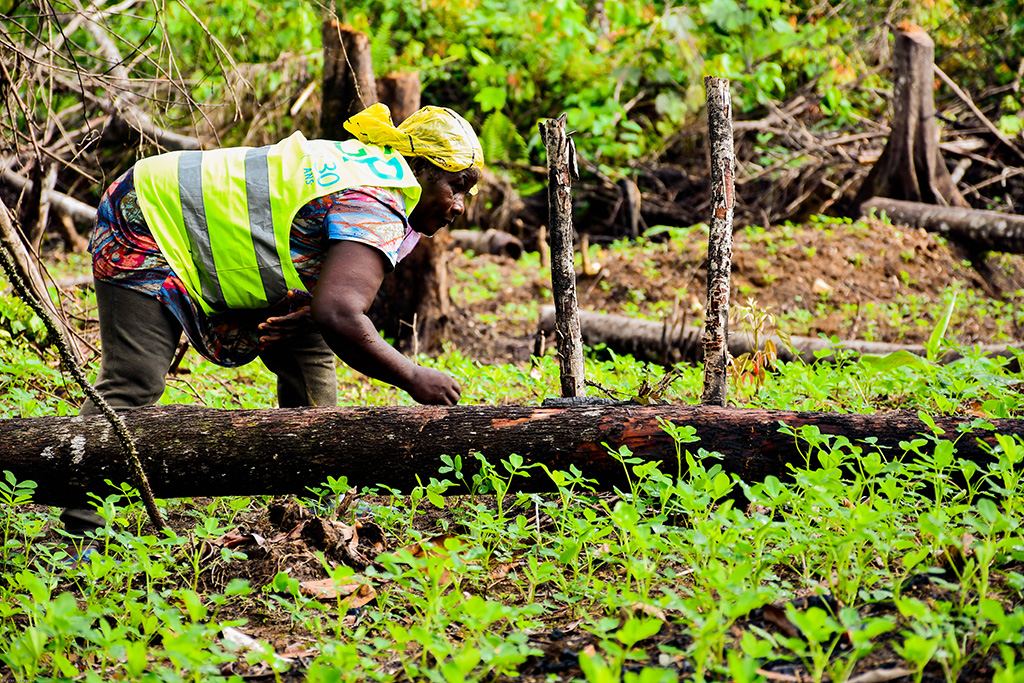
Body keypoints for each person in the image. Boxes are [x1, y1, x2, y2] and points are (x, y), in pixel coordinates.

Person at [61, 104, 483, 535]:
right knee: (135, 377)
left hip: (217, 240)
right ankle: (81, 521)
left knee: (309, 341)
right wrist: (413, 376)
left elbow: (321, 288)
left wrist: (315, 309)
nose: (460, 206)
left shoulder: (384, 178)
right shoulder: (376, 200)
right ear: (420, 168)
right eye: (456, 186)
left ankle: (320, 504)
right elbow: (339, 312)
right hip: (150, 217)